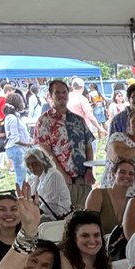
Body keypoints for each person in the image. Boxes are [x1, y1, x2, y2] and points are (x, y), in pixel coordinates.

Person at [34, 79, 95, 211]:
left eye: (64, 92)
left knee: (86, 214)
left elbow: (88, 146)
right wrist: (62, 174)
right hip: (59, 180)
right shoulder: (44, 121)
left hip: (83, 178)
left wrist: (90, 170)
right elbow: (46, 152)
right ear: (50, 95)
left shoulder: (78, 120)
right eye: (57, 92)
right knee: (64, 218)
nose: (61, 95)